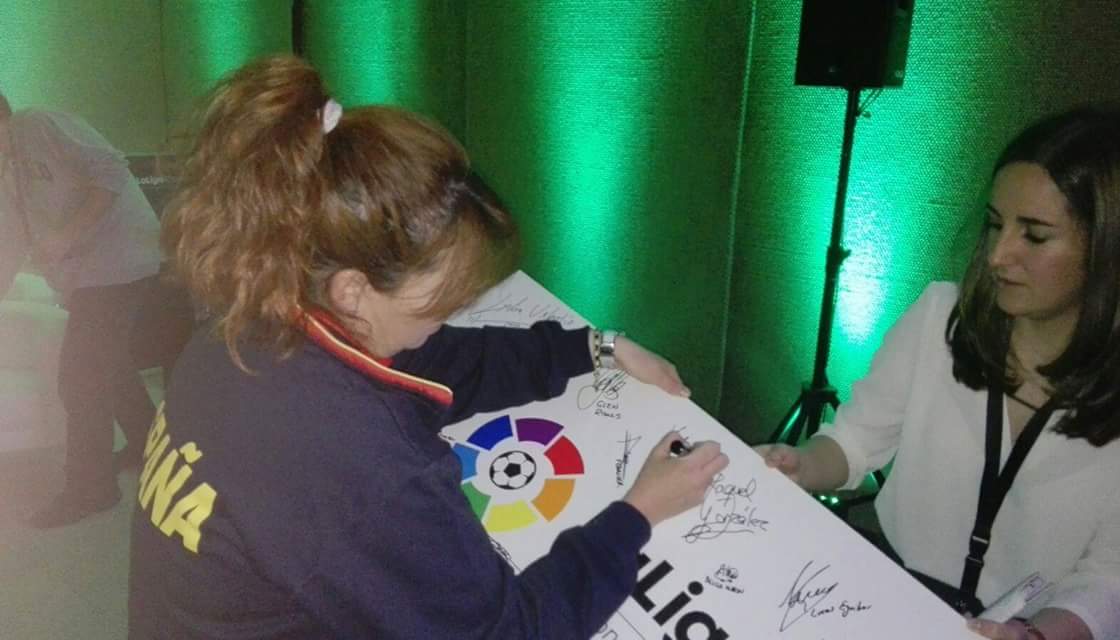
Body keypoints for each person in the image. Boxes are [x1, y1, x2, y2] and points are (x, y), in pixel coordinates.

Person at [126, 54, 729, 639]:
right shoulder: (363, 468)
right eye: (442, 302)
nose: (450, 318)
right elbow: (509, 632)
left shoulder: (250, 323)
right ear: (354, 290)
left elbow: (441, 359)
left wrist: (597, 348)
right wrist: (637, 514)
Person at [756, 107, 1120, 640]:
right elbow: (854, 443)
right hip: (881, 594)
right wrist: (796, 464)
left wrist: (1035, 636)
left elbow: (1116, 580)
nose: (998, 254)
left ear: (1111, 249)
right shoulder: (941, 316)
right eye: (994, 223)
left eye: (1034, 235)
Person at [0, 90, 168, 527]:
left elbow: (112, 167)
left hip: (122, 261)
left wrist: (67, 235)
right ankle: (150, 444)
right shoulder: (7, 169)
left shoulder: (37, 125)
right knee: (109, 367)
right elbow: (12, 239)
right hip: (87, 278)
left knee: (80, 380)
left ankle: (90, 490)